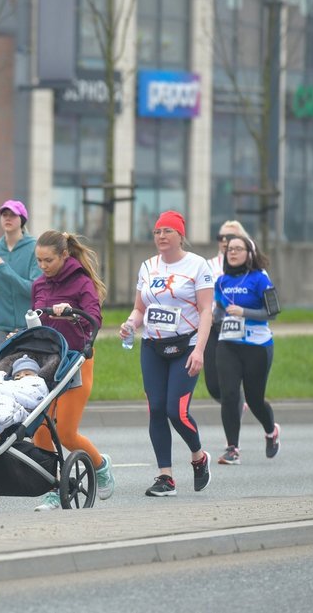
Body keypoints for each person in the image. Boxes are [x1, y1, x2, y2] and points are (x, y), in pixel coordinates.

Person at [119, 210, 213, 497]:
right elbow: (140, 307)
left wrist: (200, 350)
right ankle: (166, 477)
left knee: (177, 411)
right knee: (156, 409)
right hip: (152, 347)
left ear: (180, 236)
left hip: (185, 346)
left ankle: (198, 457)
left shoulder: (198, 266)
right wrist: (130, 323)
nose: (161, 236)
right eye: (158, 231)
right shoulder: (148, 266)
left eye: (167, 231)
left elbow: (207, 310)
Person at [29, 230, 116, 510]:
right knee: (41, 430)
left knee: (65, 432)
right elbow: (36, 319)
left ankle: (100, 466)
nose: (43, 266)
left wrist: (72, 313)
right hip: (48, 361)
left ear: (65, 255)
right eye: (39, 261)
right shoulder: (39, 285)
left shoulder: (82, 283)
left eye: (49, 260)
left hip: (77, 361)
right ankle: (54, 487)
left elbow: (95, 318)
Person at [214, 235, 281, 464]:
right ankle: (232, 448)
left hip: (258, 345)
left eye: (238, 249)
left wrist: (244, 312)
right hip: (228, 344)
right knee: (229, 395)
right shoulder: (221, 281)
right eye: (229, 249)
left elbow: (272, 312)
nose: (232, 253)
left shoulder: (260, 278)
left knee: (254, 399)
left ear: (249, 253)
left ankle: (271, 431)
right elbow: (218, 313)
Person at [0, 199, 41, 369]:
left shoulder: (34, 248)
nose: (7, 218)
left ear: (22, 219)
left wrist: (5, 269)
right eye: (4, 215)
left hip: (25, 325)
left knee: (23, 373)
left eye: (13, 215)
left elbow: (33, 289)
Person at [204, 220, 251, 406]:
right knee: (213, 385)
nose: (224, 241)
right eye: (220, 237)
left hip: (240, 327)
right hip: (213, 328)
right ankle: (237, 403)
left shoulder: (250, 269)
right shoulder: (206, 265)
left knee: (232, 383)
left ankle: (236, 410)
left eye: (229, 237)